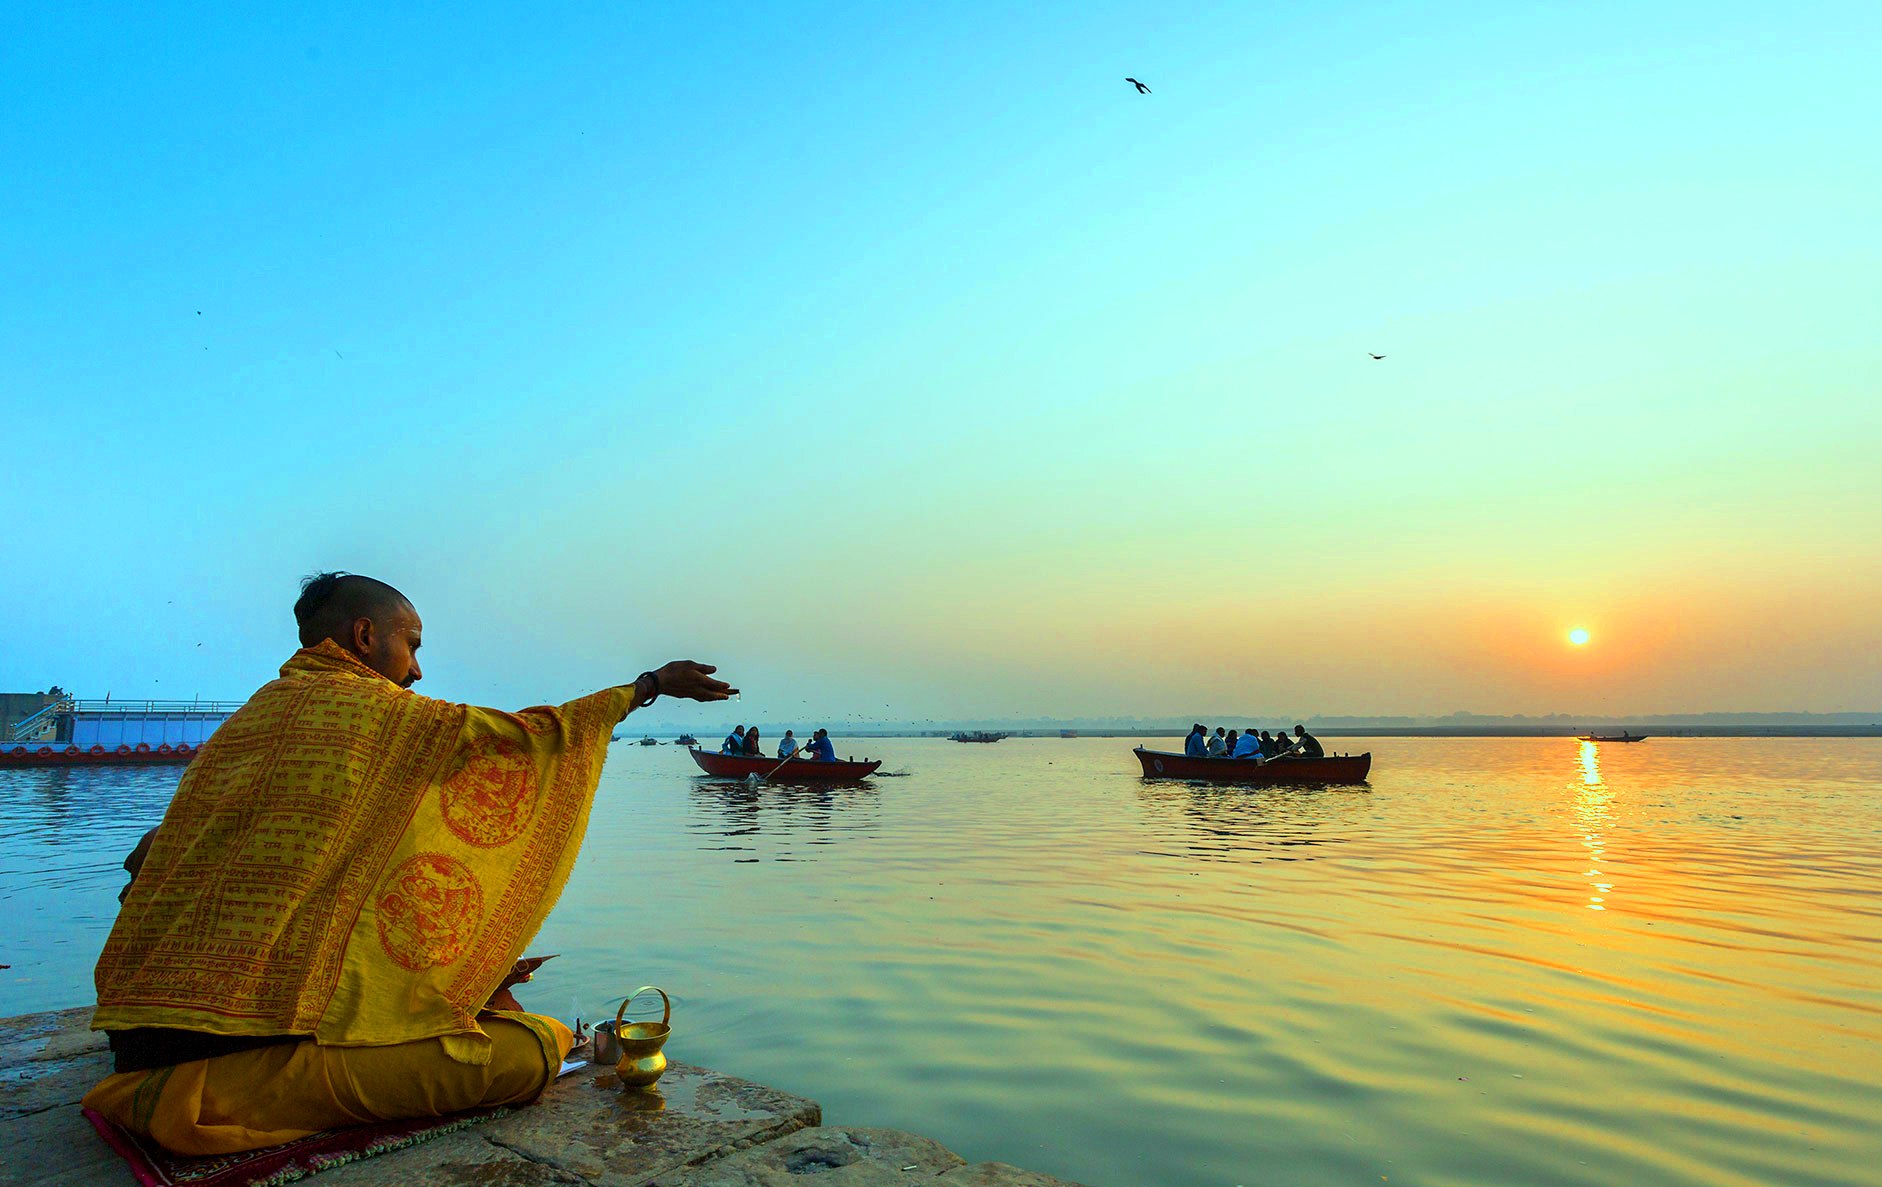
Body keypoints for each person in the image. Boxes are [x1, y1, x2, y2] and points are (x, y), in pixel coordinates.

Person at [84, 572, 735, 1157]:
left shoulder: (247, 723)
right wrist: (647, 686)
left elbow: (159, 860)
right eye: (412, 643)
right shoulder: (374, 714)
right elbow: (523, 736)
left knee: (465, 998)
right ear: (365, 635)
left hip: (139, 1031)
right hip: (213, 1062)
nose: (418, 669)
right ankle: (206, 1098)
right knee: (529, 1050)